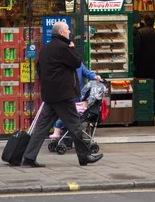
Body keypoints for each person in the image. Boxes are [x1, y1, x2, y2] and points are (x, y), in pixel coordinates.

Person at [21, 21, 103, 167]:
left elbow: (39, 70)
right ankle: (84, 156)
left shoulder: (46, 49)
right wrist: (72, 48)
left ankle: (29, 156)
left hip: (50, 94)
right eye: (67, 30)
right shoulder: (63, 47)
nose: (69, 32)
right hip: (63, 95)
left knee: (42, 127)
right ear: (60, 33)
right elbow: (77, 62)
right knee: (75, 125)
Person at [49, 62, 103, 139]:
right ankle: (63, 135)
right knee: (65, 114)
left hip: (77, 96)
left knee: (70, 114)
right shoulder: (62, 64)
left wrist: (95, 76)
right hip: (65, 95)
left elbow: (87, 73)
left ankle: (62, 133)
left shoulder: (78, 64)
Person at [133, 15, 155, 106]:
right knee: (154, 86)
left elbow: (137, 50)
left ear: (145, 21)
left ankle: (143, 106)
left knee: (142, 88)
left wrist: (135, 65)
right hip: (154, 66)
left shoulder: (140, 33)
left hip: (142, 67)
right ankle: (153, 107)